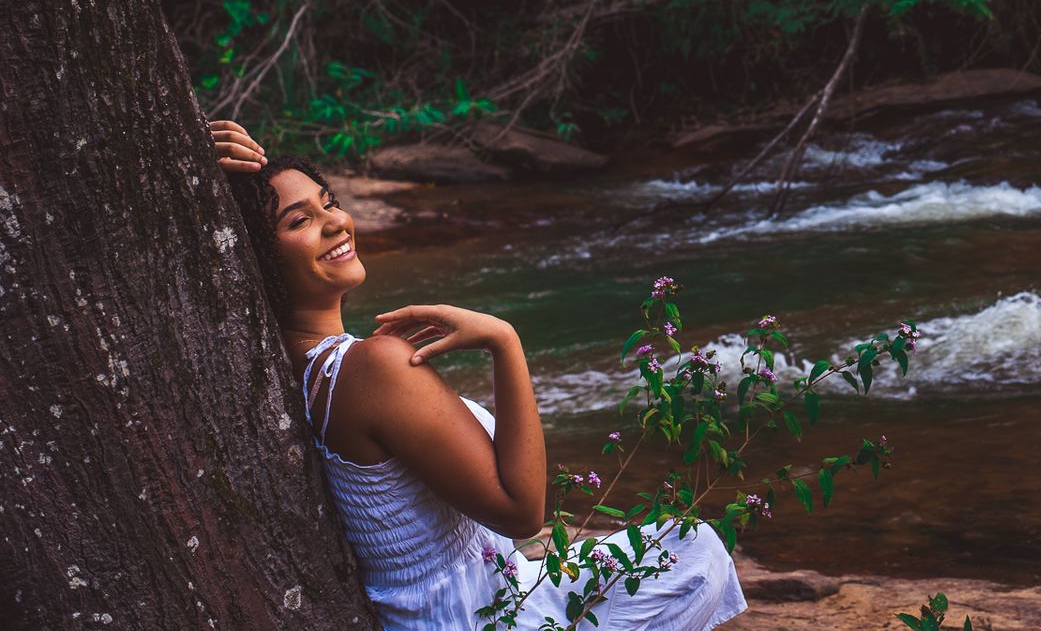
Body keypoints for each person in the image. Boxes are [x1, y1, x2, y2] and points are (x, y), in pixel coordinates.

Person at [210, 119, 747, 631]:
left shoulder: (295, 370)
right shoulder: (371, 366)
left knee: (689, 545)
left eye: (329, 203)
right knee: (695, 551)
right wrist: (504, 341)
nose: (336, 223)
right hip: (476, 616)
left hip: (480, 596)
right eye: (299, 221)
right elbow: (522, 514)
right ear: (257, 256)